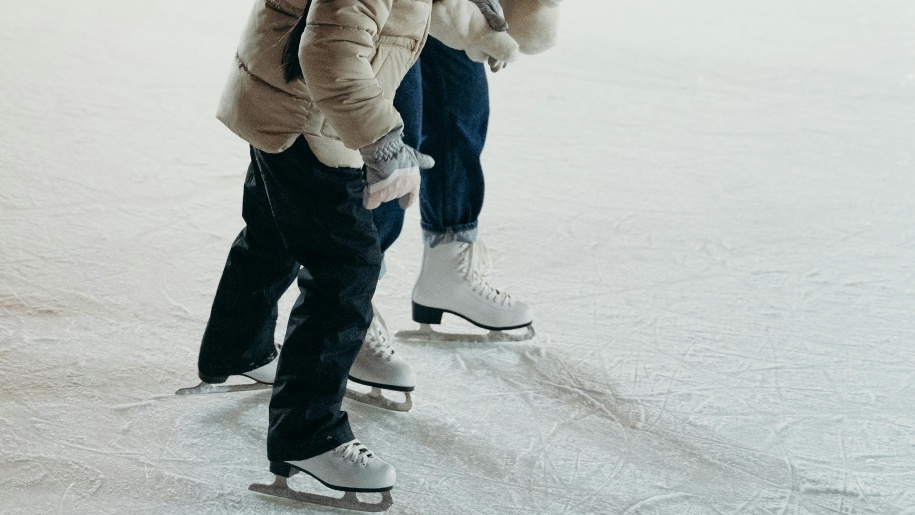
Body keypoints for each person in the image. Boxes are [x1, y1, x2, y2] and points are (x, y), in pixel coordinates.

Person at [193, 0, 436, 506]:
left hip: (283, 102)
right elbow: (329, 52)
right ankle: (308, 433)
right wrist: (385, 145)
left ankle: (239, 348)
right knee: (346, 266)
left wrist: (489, 29)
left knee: (274, 233)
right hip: (310, 119)